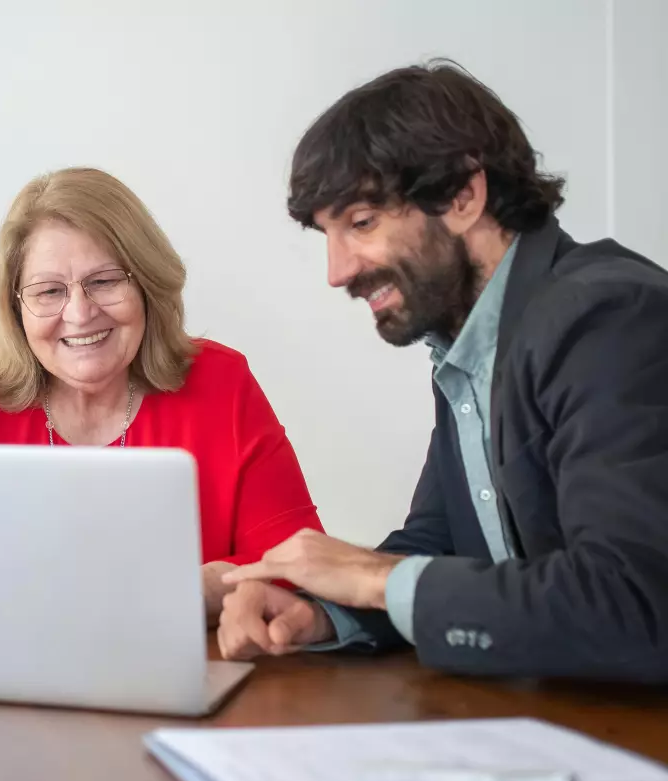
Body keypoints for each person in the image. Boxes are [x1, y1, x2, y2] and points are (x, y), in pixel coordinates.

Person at [218, 61, 668, 683]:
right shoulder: (468, 344)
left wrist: (376, 578)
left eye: (362, 223)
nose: (337, 271)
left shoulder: (607, 317)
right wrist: (320, 610)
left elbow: (634, 603)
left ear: (462, 195)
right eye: (328, 234)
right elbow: (439, 546)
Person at [0, 167, 322, 621]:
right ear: (15, 306)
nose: (80, 313)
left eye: (104, 281)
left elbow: (300, 567)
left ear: (145, 283)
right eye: (48, 291)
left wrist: (188, 592)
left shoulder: (222, 383)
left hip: (183, 671)